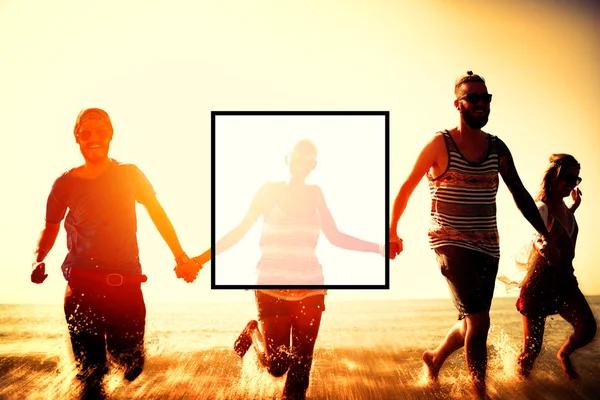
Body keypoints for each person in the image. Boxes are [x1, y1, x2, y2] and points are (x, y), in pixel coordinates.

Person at [389, 71, 554, 399]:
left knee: (470, 320)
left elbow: (520, 193)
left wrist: (544, 234)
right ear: (458, 104)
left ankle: (434, 359)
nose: (481, 103)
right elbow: (407, 186)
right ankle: (480, 394)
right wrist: (392, 230)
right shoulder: (440, 144)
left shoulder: (497, 148)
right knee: (480, 325)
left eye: (485, 98)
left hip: (487, 246)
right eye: (473, 98)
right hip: (449, 242)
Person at [30, 108, 200, 398]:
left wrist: (180, 256)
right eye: (86, 134)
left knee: (131, 364)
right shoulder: (65, 184)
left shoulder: (129, 174)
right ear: (77, 138)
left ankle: (112, 355)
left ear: (110, 135)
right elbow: (50, 227)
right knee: (91, 378)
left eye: (100, 132)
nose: (94, 138)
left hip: (127, 286)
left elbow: (158, 214)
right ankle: (94, 367)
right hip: (82, 286)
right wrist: (39, 257)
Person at [212, 139, 388, 400]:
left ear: (313, 165)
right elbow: (240, 230)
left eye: (308, 160)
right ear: (287, 159)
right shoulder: (268, 191)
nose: (301, 164)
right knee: (277, 365)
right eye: (298, 158)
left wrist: (378, 247)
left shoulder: (315, 193)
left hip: (311, 288)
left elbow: (335, 236)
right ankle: (253, 330)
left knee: (301, 370)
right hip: (271, 289)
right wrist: (202, 259)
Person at [515, 154, 596, 380]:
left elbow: (562, 228)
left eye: (576, 179)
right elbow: (536, 235)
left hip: (565, 281)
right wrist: (543, 248)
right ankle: (521, 389)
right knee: (531, 352)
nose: (572, 183)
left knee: (587, 329)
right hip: (540, 283)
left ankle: (564, 354)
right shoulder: (540, 207)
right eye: (568, 177)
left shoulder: (567, 211)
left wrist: (572, 208)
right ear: (553, 177)